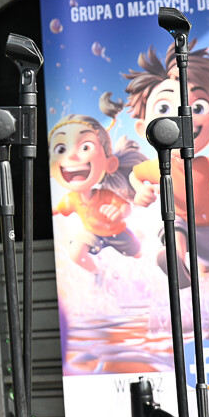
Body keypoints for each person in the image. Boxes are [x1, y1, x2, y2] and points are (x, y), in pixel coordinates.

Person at [123, 44, 209, 286]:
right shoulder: (160, 165)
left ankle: (206, 277)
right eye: (163, 108)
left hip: (208, 223)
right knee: (176, 230)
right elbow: (136, 175)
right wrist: (139, 189)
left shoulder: (207, 164)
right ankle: (174, 257)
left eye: (198, 107)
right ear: (145, 129)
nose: (180, 118)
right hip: (179, 218)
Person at [49, 94, 150, 282]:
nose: (71, 157)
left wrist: (119, 212)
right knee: (75, 253)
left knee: (138, 254)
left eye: (85, 147)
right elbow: (57, 210)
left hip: (117, 231)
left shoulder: (105, 194)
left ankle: (139, 240)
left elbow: (126, 207)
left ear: (110, 164)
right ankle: (98, 273)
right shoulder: (71, 199)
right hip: (92, 233)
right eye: (61, 149)